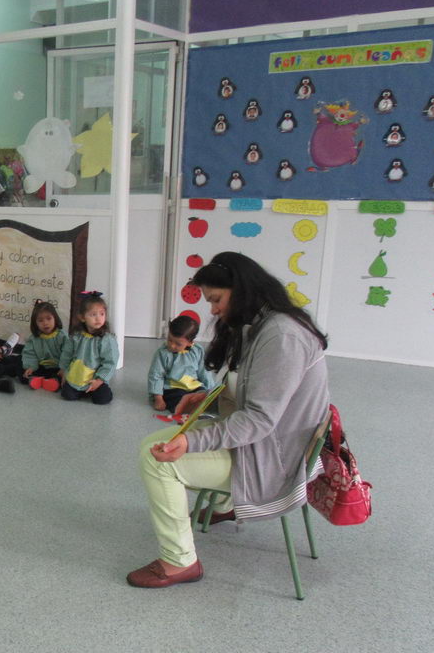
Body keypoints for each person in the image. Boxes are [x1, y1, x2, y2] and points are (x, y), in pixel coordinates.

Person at [128, 252, 329, 588]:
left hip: (273, 461)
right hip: (267, 447)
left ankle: (180, 562)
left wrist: (190, 441)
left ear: (242, 289)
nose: (213, 310)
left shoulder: (281, 336)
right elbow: (254, 392)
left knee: (156, 457)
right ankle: (225, 502)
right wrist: (208, 399)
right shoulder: (267, 324)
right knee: (161, 444)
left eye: (216, 299)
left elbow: (259, 420)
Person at [57, 291, 119, 405]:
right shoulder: (76, 335)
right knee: (67, 395)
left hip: (95, 379)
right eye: (93, 314)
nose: (98, 319)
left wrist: (100, 380)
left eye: (102, 314)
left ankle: (93, 390)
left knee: (102, 399)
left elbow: (110, 362)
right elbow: (67, 353)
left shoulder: (106, 339)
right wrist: (64, 370)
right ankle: (79, 390)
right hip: (77, 376)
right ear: (82, 317)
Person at [147, 315, 216, 414]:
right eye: (169, 339)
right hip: (173, 388)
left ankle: (197, 407)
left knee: (201, 395)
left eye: (178, 344)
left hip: (193, 386)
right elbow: (156, 375)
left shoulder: (197, 351)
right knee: (180, 401)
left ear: (190, 342)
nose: (172, 345)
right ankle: (191, 409)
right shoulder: (163, 353)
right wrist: (158, 398)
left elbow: (204, 372)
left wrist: (211, 391)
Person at [21, 300, 65, 391]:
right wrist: (31, 367)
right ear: (35, 323)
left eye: (49, 319)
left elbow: (67, 353)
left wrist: (64, 368)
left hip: (57, 368)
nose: (45, 323)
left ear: (55, 318)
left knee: (63, 376)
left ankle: (53, 381)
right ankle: (35, 379)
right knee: (20, 366)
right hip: (40, 366)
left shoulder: (62, 336)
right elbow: (29, 354)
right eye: (40, 320)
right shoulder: (33, 338)